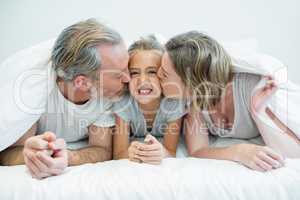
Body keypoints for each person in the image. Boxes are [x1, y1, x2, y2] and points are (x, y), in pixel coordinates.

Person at [0, 19, 130, 179]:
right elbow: (7, 152)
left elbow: (101, 149)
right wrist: (32, 156)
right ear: (82, 82)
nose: (129, 79)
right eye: (119, 74)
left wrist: (69, 156)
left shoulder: (109, 92)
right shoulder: (33, 91)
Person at [157, 31, 300, 172]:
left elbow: (294, 152)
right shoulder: (194, 102)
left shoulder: (252, 87)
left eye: (164, 73)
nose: (157, 75)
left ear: (190, 82)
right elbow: (198, 150)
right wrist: (238, 151)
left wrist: (259, 112)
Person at [113, 36, 186, 164]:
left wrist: (161, 152)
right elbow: (119, 154)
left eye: (152, 72)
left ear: (164, 74)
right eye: (135, 73)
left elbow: (170, 151)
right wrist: (133, 152)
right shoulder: (123, 102)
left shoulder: (173, 103)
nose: (142, 81)